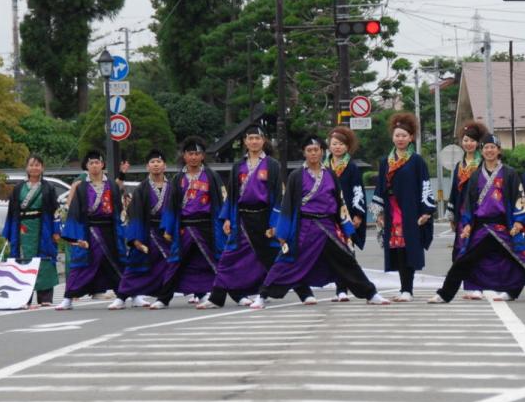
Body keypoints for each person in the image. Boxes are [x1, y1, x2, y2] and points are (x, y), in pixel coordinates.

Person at [251, 136, 390, 309]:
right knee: (286, 261)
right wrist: (283, 233)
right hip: (305, 227)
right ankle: (263, 295)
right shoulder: (296, 176)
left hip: (328, 227)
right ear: (304, 153)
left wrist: (346, 227)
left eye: (316, 150)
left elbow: (339, 202)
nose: (313, 153)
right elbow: (287, 205)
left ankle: (371, 293)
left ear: (322, 152)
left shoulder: (330, 174)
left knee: (347, 260)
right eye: (309, 150)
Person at [430, 134, 525, 303]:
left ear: (498, 150)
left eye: (492, 147)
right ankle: (444, 294)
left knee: (524, 260)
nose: (489, 151)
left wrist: (519, 221)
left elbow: (519, 197)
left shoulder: (509, 173)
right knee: (463, 261)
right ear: (482, 151)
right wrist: (467, 224)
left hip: (504, 228)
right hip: (481, 229)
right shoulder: (475, 176)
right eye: (486, 147)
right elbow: (468, 203)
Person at [197, 126, 309, 309]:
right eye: (251, 138)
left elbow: (278, 196)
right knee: (228, 257)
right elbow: (232, 195)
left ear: (263, 141)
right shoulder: (238, 166)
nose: (254, 141)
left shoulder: (272, 165)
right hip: (242, 218)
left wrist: (275, 223)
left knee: (275, 257)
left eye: (258, 138)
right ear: (245, 142)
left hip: (264, 217)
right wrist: (227, 218)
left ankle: (304, 292)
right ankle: (216, 297)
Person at [151, 136, 227, 309]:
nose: (193, 157)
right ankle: (163, 298)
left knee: (219, 260)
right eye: (190, 153)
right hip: (184, 227)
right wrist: (169, 229)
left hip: (206, 225)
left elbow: (219, 203)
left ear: (202, 156)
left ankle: (233, 296)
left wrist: (223, 222)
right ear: (184, 156)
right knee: (175, 262)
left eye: (197, 153)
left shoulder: (211, 176)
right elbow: (171, 205)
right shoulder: (178, 178)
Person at [372, 113, 436, 301]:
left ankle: (408, 289)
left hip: (409, 211)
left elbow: (425, 185)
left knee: (408, 248)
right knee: (396, 249)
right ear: (393, 137)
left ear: (411, 138)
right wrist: (380, 212)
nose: (400, 139)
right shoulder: (385, 162)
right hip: (391, 211)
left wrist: (426, 211)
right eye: (397, 135)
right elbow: (380, 187)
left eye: (404, 135)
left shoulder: (416, 161)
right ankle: (403, 289)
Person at [57, 150, 125, 310]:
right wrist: (76, 237)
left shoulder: (112, 186)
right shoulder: (81, 188)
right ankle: (68, 298)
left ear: (102, 165)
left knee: (116, 264)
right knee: (79, 266)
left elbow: (118, 211)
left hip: (110, 231)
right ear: (86, 167)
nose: (94, 166)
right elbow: (75, 212)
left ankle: (124, 295)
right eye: (91, 163)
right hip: (88, 232)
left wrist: (122, 232)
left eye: (97, 162)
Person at [111, 149, 172, 309]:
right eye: (152, 162)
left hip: (167, 232)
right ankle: (122, 296)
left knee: (174, 265)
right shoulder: (142, 188)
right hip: (146, 230)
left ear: (164, 166)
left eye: (159, 162)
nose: (156, 165)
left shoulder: (173, 187)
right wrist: (135, 238)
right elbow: (135, 214)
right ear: (147, 167)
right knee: (135, 265)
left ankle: (198, 294)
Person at [1, 154, 61, 307]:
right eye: (32, 165)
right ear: (27, 168)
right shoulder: (18, 188)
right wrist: (8, 233)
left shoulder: (48, 188)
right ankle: (24, 297)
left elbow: (56, 211)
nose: (34, 168)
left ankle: (45, 297)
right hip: (22, 229)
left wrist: (56, 230)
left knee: (45, 260)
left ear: (42, 168)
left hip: (43, 228)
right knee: (22, 261)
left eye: (38, 165)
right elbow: (11, 212)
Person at [326, 126, 367, 302]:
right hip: (327, 215)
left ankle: (345, 288)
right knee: (331, 252)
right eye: (334, 144)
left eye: (341, 144)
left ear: (347, 147)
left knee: (347, 251)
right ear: (328, 145)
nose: (337, 147)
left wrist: (358, 214)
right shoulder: (323, 166)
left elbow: (358, 191)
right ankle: (338, 288)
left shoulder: (351, 168)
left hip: (346, 215)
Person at [448, 121, 488, 300]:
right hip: (461, 213)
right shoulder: (459, 165)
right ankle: (468, 285)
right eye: (465, 140)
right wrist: (452, 215)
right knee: (461, 250)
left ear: (478, 142)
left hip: (478, 212)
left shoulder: (483, 163)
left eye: (472, 140)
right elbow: (454, 191)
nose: (468, 143)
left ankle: (479, 285)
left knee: (477, 249)